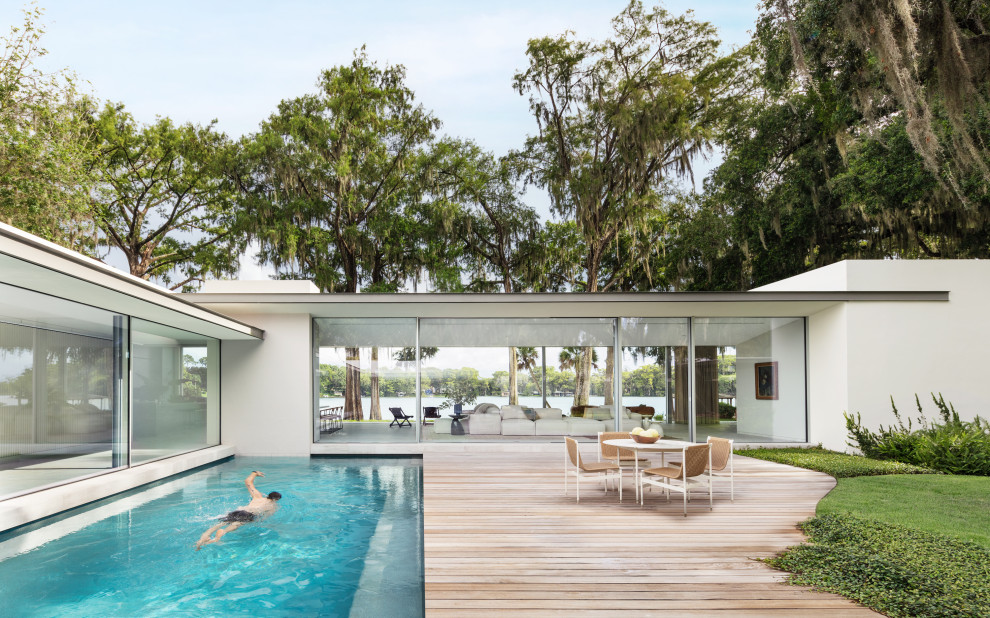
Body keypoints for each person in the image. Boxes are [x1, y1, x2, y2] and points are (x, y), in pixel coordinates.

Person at [195, 470, 281, 550]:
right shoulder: (272, 506)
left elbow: (248, 482)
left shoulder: (258, 496)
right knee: (235, 525)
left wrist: (254, 473)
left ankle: (201, 540)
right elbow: (263, 518)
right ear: (276, 499)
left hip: (239, 511)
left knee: (219, 524)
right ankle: (222, 532)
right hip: (248, 515)